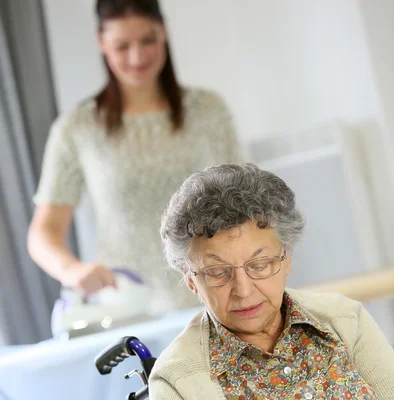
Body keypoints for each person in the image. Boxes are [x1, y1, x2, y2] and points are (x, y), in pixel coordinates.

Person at [137, 163, 394, 400]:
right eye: (217, 272)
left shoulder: (343, 319)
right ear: (191, 280)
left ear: (286, 258)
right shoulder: (180, 374)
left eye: (259, 264)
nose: (243, 289)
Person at [28, 0, 242, 315]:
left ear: (163, 32)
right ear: (101, 42)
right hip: (129, 308)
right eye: (122, 46)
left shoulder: (208, 111)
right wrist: (72, 271)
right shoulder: (77, 129)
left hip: (215, 296)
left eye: (147, 40)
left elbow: (242, 207)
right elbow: (43, 232)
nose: (137, 57)